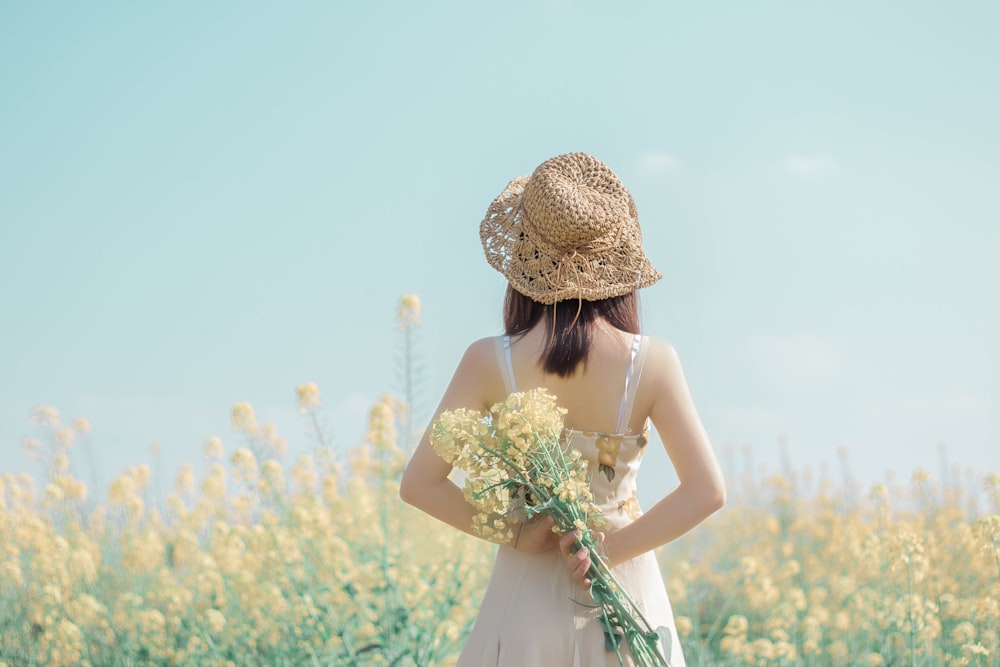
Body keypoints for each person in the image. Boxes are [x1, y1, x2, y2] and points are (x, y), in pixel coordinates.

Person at [400, 152, 725, 666]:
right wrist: (606, 551)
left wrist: (518, 534)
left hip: (523, 600)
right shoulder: (652, 361)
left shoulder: (490, 360)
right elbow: (708, 491)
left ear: (525, 256)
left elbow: (419, 484)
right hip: (626, 600)